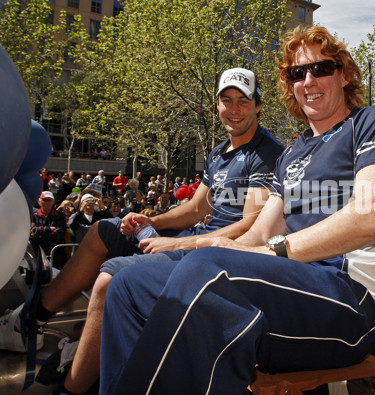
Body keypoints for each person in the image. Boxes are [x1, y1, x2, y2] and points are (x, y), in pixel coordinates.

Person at [99, 26, 375, 395]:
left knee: (208, 273)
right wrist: (201, 247)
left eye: (321, 69)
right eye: (298, 73)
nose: (308, 80)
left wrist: (267, 253)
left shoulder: (371, 122)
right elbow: (257, 234)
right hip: (282, 284)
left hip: (348, 300)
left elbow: (371, 215)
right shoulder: (294, 152)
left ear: (344, 75)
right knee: (127, 285)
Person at [0, 67, 284, 395]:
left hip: (213, 257)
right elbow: (195, 209)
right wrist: (152, 221)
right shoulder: (219, 153)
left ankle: (71, 388)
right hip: (186, 241)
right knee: (102, 231)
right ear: (217, 104)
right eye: (226, 100)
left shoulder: (267, 154)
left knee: (110, 281)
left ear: (258, 105)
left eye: (243, 102)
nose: (234, 109)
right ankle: (32, 320)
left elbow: (250, 225)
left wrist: (179, 243)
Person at [28, 191, 67, 271]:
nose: (46, 202)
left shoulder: (60, 215)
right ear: (39, 201)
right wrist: (49, 229)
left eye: (49, 200)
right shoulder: (33, 216)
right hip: (37, 252)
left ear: (53, 201)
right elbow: (32, 232)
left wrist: (40, 232)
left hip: (56, 254)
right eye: (44, 200)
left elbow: (59, 234)